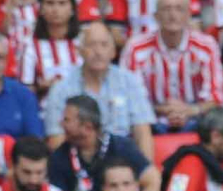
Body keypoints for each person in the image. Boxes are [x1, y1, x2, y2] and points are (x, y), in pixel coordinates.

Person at [42, 22, 156, 161]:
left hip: (123, 163)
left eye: (104, 45)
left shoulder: (130, 82)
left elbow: (143, 133)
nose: (98, 51)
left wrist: (145, 169)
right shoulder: (61, 89)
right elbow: (56, 140)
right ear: (80, 51)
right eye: (91, 45)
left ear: (114, 51)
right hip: (80, 160)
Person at [120, 0, 223, 134]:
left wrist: (190, 110)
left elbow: (216, 97)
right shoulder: (136, 48)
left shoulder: (206, 46)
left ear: (189, 15)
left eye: (179, 9)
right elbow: (130, 97)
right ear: (156, 16)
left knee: (222, 121)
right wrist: (164, 110)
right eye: (166, 9)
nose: (173, 15)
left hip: (196, 119)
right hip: (150, 121)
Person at [48, 94, 158, 191]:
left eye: (67, 120)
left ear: (87, 127)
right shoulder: (59, 157)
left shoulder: (122, 147)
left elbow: (154, 183)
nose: (61, 124)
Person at [19, 0, 82, 95]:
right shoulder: (30, 45)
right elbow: (24, 89)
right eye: (50, 3)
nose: (55, 9)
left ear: (72, 9)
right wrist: (40, 87)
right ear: (41, 9)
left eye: (62, 3)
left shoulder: (84, 42)